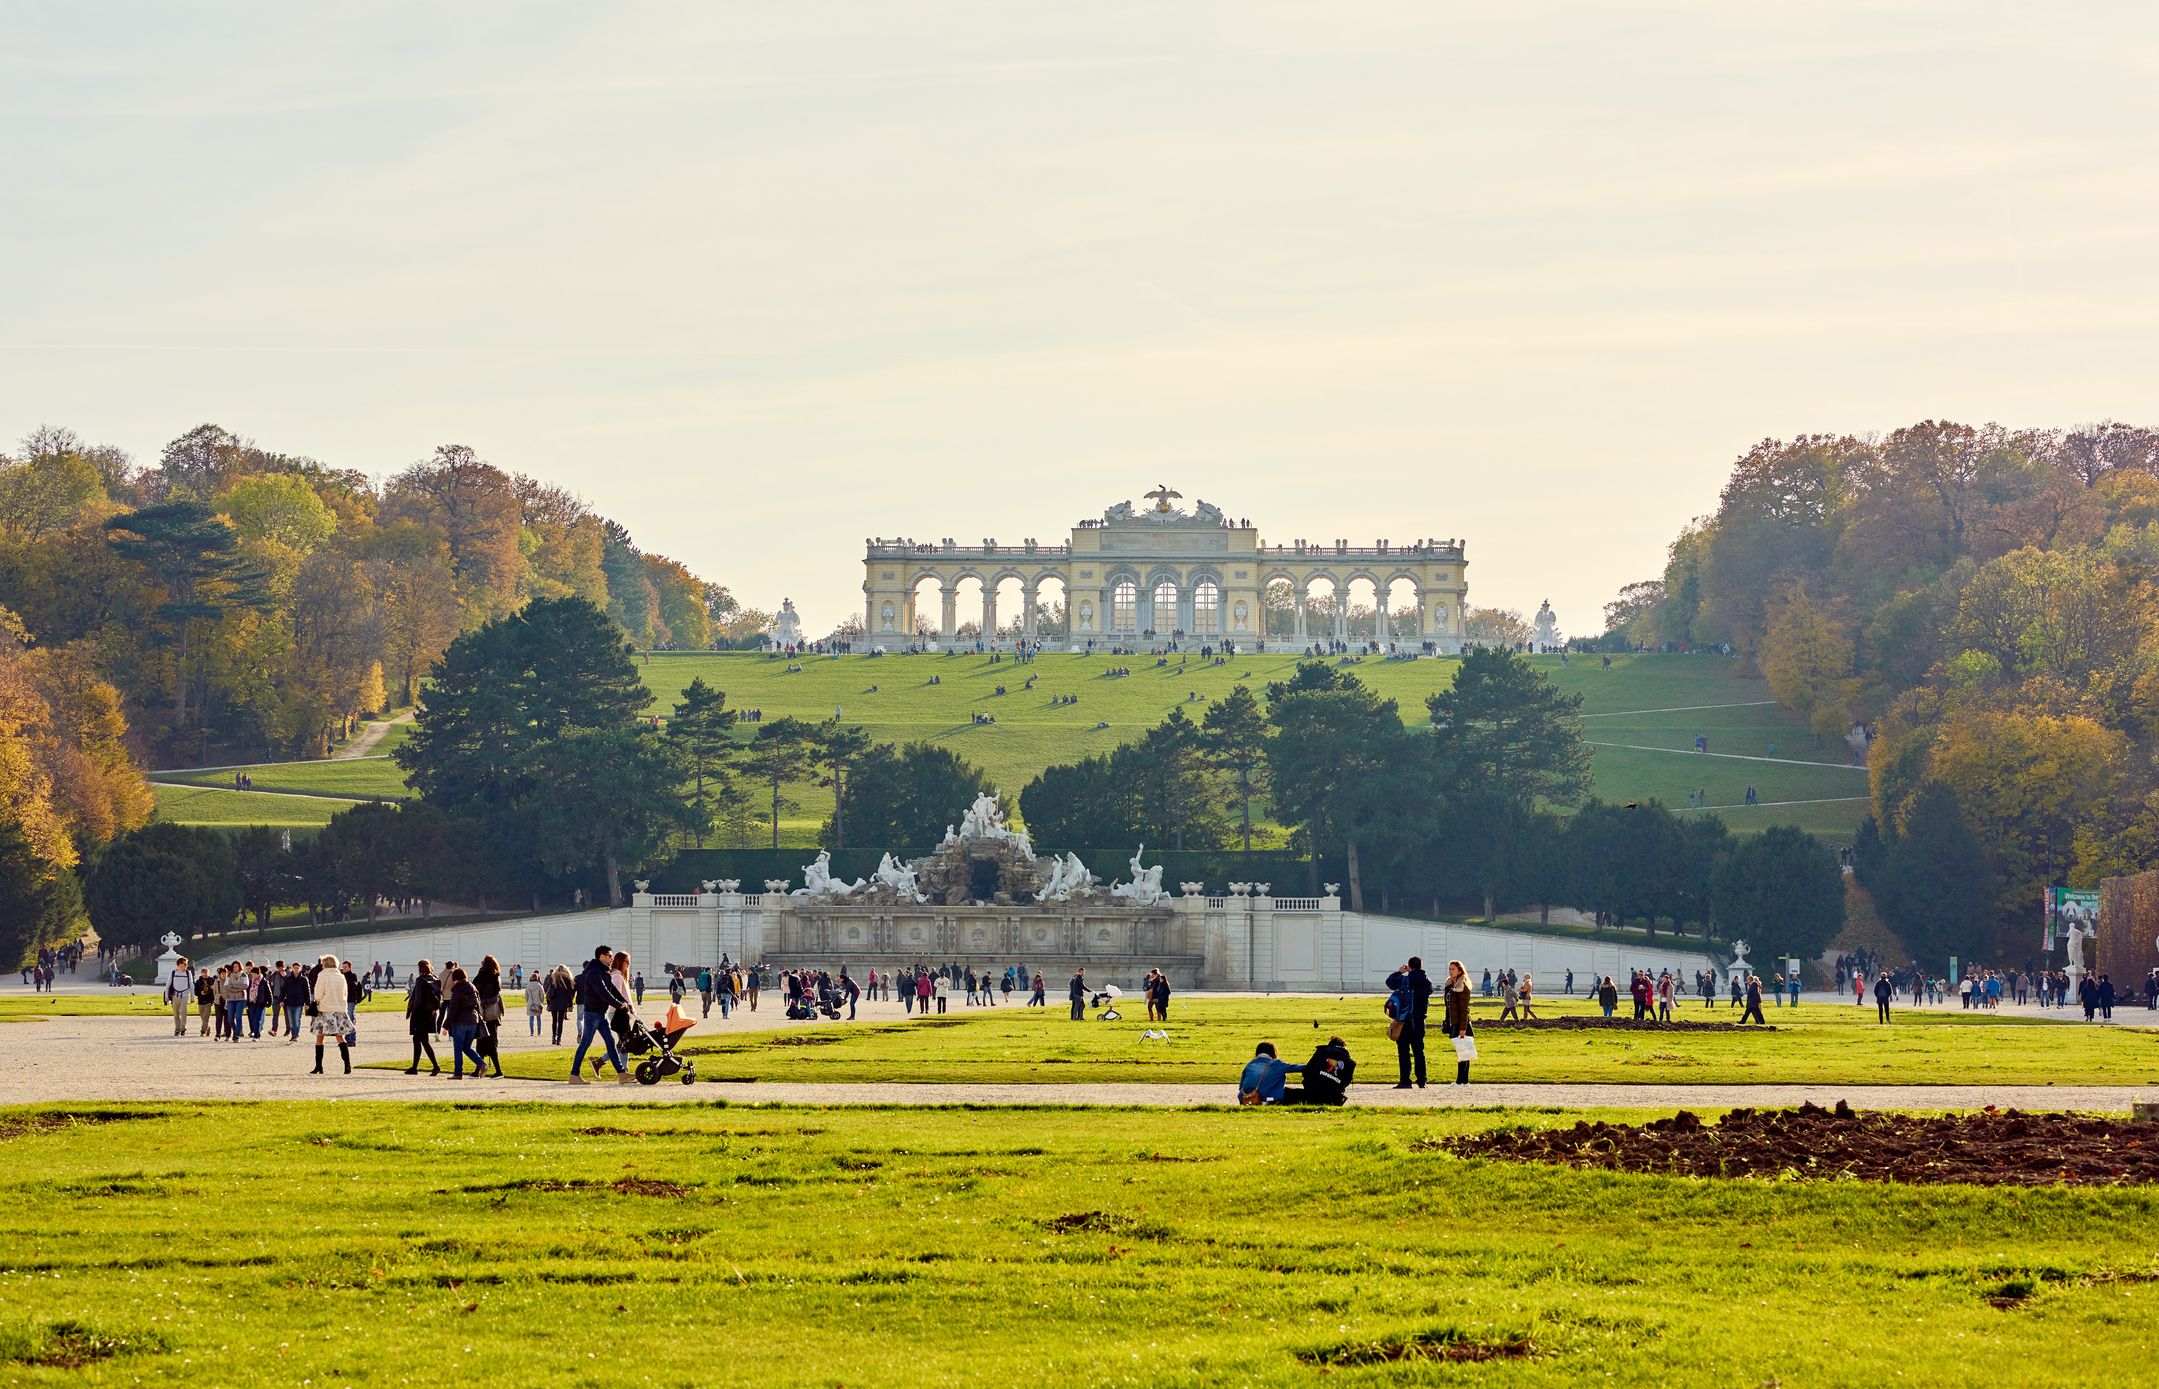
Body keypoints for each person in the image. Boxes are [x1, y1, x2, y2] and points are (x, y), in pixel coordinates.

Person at [568, 946, 635, 1084]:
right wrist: (618, 1004)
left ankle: (622, 1074)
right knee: (585, 1043)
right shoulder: (593, 972)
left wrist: (624, 1001)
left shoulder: (604, 972)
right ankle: (574, 1075)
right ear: (602, 956)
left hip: (601, 1014)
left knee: (610, 1042)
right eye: (610, 956)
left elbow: (613, 989)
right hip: (592, 1014)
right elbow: (602, 992)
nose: (612, 959)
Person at [1384, 956, 1432, 1089]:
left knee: (1404, 1051)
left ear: (1409, 967)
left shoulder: (1405, 979)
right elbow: (1429, 991)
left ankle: (1405, 1080)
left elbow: (1389, 982)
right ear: (1421, 966)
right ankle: (1422, 1080)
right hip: (1419, 1020)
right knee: (1419, 1051)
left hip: (1404, 1020)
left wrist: (1400, 972)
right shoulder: (1426, 981)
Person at [309, 953, 355, 1075]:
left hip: (325, 1008)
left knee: (320, 1036)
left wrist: (317, 1001)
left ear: (325, 964)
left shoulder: (322, 975)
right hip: (339, 1009)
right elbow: (345, 993)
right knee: (340, 1037)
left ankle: (319, 1066)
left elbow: (318, 993)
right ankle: (347, 1065)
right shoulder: (341, 976)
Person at [443, 966, 484, 1078]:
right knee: (466, 1047)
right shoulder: (473, 987)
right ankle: (481, 1063)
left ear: (455, 979)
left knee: (458, 1049)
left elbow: (452, 1010)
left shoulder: (457, 990)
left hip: (461, 1022)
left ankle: (458, 1073)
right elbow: (478, 1005)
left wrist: (445, 1026)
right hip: (473, 1021)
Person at [403, 960, 443, 1074]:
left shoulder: (420, 980)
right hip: (430, 1013)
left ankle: (435, 1066)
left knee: (423, 1041)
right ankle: (415, 1067)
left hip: (420, 1014)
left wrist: (412, 1012)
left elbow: (418, 1000)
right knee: (418, 1039)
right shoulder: (435, 979)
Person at [1289, 1036, 1356, 1105]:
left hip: (1312, 1095)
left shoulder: (1322, 1052)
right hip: (1333, 1099)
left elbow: (1307, 1071)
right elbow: (1346, 1082)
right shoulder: (1348, 1061)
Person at [1438, 959, 1474, 1085]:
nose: (1451, 971)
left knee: (1463, 1052)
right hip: (1453, 1021)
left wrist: (1463, 1028)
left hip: (1461, 1023)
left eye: (1453, 969)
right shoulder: (1451, 985)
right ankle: (1464, 1081)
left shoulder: (1461, 987)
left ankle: (1461, 1081)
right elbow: (1448, 1007)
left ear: (1459, 971)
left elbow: (1464, 1010)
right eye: (1450, 969)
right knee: (1462, 1051)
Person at [1236, 1042, 1303, 1105]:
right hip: (1270, 1099)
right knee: (1297, 1093)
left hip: (1246, 1099)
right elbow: (1297, 1068)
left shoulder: (1250, 1065)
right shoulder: (1277, 1064)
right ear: (1273, 1052)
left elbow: (1241, 1087)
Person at [474, 954, 506, 1077]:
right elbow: (497, 993)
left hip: (481, 1010)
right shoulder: (495, 976)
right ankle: (496, 1070)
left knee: (481, 1040)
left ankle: (483, 1070)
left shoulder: (480, 976)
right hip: (492, 1012)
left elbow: (475, 990)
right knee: (491, 1041)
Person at [163, 955, 194, 1037]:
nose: (186, 966)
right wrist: (166, 996)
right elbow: (168, 985)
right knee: (176, 1014)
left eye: (186, 964)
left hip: (184, 995)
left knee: (183, 1011)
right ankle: (177, 1029)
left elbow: (191, 985)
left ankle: (183, 1028)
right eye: (185, 964)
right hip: (175, 996)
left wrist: (192, 997)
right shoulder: (173, 973)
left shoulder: (188, 973)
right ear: (179, 964)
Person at [545, 964, 575, 1045]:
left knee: (554, 1020)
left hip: (553, 1002)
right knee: (560, 1021)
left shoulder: (553, 978)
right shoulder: (567, 979)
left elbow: (548, 992)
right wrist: (570, 1004)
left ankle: (553, 1037)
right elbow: (569, 994)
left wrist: (548, 1004)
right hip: (563, 1002)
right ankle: (559, 1039)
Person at [523, 968, 546, 1037]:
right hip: (538, 1003)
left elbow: (526, 996)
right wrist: (541, 1001)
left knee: (531, 1018)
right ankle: (539, 1031)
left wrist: (528, 1001)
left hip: (530, 1003)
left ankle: (531, 1031)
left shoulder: (528, 985)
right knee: (538, 1018)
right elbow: (542, 995)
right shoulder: (539, 985)